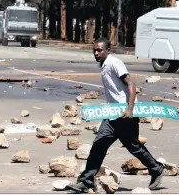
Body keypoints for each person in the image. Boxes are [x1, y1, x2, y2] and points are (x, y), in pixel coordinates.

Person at [67, 37, 165, 193]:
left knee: (133, 146)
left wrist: (130, 109)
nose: (96, 53)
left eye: (100, 50)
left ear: (108, 50)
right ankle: (86, 182)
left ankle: (156, 168)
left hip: (125, 114)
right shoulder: (104, 65)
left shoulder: (114, 63)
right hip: (112, 114)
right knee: (99, 145)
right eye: (94, 50)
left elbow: (131, 84)